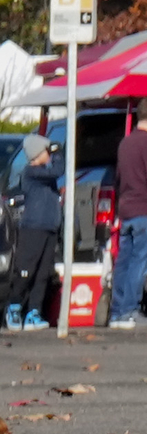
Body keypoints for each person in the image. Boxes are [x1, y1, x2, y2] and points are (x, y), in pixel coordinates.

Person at [107, 100, 147, 327]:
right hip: (146, 211)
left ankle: (117, 312)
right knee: (139, 263)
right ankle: (130, 311)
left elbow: (119, 178)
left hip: (127, 211)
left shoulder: (126, 143)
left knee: (123, 261)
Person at [3, 138, 58, 328]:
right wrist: (58, 152)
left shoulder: (45, 175)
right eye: (46, 150)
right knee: (26, 271)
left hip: (49, 227)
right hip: (33, 228)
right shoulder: (31, 172)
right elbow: (58, 170)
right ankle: (14, 306)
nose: (49, 153)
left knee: (43, 273)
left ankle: (34, 311)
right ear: (36, 154)